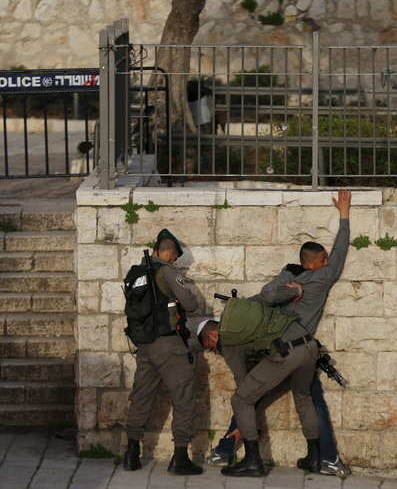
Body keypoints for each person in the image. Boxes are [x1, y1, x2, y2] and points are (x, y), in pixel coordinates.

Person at [199, 189, 352, 477]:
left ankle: (251, 459)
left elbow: (264, 296)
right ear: (316, 261)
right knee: (304, 396)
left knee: (243, 397)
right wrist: (344, 216)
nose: (329, 260)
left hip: (284, 349)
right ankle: (317, 457)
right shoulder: (321, 278)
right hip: (308, 349)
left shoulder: (296, 276)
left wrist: (288, 288)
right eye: (324, 258)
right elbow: (341, 252)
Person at [122, 229, 204, 476]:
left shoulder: (136, 273)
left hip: (144, 344)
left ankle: (131, 453)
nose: (174, 261)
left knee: (142, 396)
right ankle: (180, 456)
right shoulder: (167, 272)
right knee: (185, 394)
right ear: (168, 252)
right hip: (167, 345)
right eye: (174, 257)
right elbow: (191, 304)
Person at [206, 368, 351, 476]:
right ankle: (328, 459)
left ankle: (224, 450)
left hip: (275, 357)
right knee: (312, 401)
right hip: (302, 353)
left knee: (246, 396)